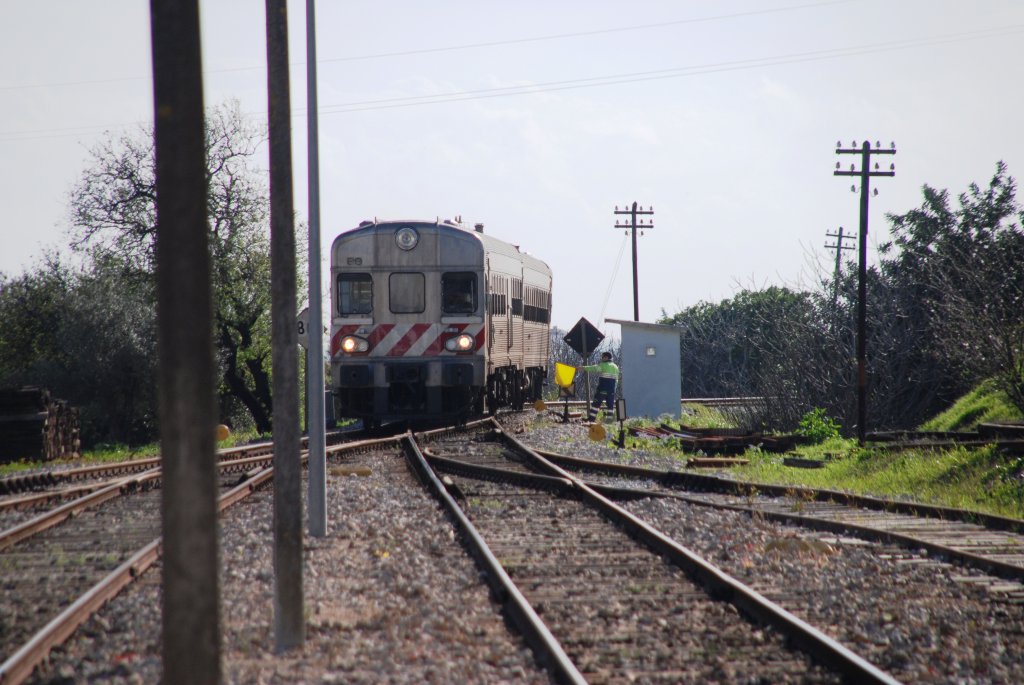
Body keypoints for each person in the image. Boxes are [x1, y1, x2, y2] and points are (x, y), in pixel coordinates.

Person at [579, 352, 619, 422]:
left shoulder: (604, 365)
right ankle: (609, 421)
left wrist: (582, 368)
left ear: (606, 357)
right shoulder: (615, 367)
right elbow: (617, 380)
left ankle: (591, 419)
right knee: (610, 406)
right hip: (611, 390)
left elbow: (594, 368)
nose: (602, 358)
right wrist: (613, 389)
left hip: (602, 389)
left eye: (603, 357)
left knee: (596, 404)